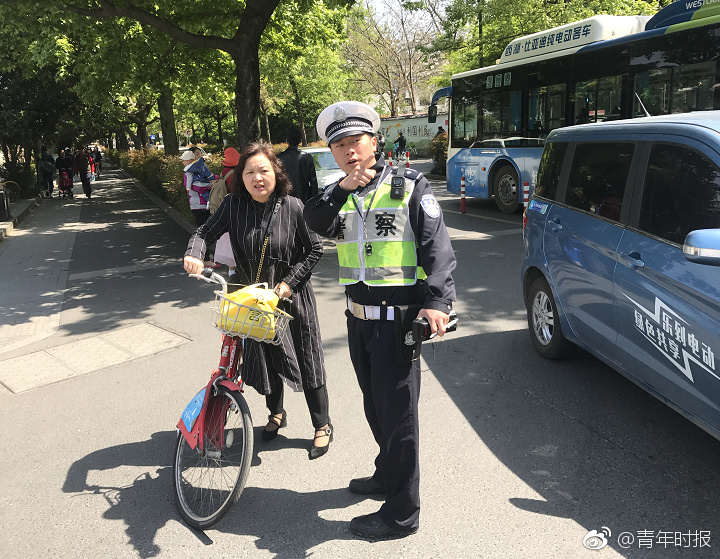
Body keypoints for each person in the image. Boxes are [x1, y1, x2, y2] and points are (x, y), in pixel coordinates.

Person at [303, 101, 456, 539]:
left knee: (398, 416)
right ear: (332, 152)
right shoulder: (340, 193)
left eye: (357, 141)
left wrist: (438, 303)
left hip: (398, 323)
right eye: (340, 145)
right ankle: (385, 474)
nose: (350, 151)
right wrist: (340, 189)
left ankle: (402, 514)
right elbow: (312, 222)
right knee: (375, 406)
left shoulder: (409, 185)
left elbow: (437, 250)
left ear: (375, 141)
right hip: (358, 321)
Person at [183, 141, 333, 460]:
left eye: (263, 170)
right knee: (266, 358)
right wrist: (194, 255)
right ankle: (276, 413)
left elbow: (314, 250)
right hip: (255, 300)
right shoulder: (233, 206)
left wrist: (288, 284)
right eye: (249, 171)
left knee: (307, 359)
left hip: (292, 299)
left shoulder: (293, 206)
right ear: (241, 177)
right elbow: (203, 233)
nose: (257, 177)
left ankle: (322, 425)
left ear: (276, 173)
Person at [209, 147, 241, 282]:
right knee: (237, 239)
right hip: (237, 210)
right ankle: (237, 268)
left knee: (227, 239)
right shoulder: (236, 174)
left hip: (224, 210)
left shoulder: (224, 172)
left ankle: (231, 269)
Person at [277, 125, 318, 203]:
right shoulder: (307, 157)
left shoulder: (279, 158)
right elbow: (313, 181)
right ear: (300, 140)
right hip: (305, 198)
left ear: (287, 141)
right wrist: (314, 199)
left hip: (285, 197)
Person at [180, 148, 215, 226]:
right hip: (198, 205)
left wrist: (215, 180)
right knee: (203, 231)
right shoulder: (188, 172)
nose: (200, 156)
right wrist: (210, 184)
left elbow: (212, 176)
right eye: (197, 154)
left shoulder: (201, 168)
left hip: (207, 205)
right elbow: (197, 187)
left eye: (200, 153)